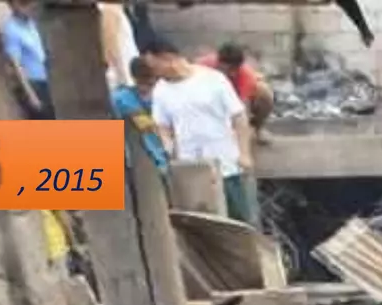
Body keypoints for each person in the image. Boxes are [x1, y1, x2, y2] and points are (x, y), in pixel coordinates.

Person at [141, 38, 255, 223]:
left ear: (167, 58)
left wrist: (244, 153)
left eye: (155, 67)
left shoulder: (213, 79)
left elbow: (239, 116)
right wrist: (168, 145)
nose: (153, 73)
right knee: (203, 224)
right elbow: (162, 125)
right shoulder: (161, 90)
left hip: (225, 163)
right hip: (191, 167)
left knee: (238, 220)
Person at [200, 42, 273, 142]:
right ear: (218, 62)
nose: (230, 73)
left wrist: (241, 133)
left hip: (235, 99)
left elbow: (242, 110)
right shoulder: (203, 66)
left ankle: (258, 129)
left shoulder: (246, 75)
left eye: (233, 69)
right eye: (226, 69)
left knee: (264, 91)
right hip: (211, 99)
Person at [111, 56, 168, 171]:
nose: (147, 89)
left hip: (165, 157)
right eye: (144, 83)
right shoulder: (121, 99)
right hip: (138, 162)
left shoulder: (166, 95)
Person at [0, 0, 52, 117]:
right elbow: (16, 65)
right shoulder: (11, 29)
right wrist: (31, 95)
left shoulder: (31, 24)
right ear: (12, 5)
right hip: (32, 84)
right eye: (23, 3)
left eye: (30, 3)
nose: (28, 7)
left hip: (45, 81)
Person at [100, 3, 141, 90]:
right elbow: (110, 46)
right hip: (121, 77)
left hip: (126, 75)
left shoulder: (114, 9)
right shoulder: (109, 9)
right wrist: (122, 77)